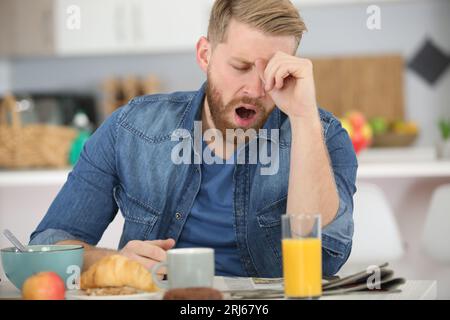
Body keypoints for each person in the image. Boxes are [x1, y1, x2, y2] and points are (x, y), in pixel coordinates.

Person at [30, 0, 357, 278]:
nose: (256, 90)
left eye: (273, 73)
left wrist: (303, 117)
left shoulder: (324, 135)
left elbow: (323, 259)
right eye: (240, 66)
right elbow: (46, 246)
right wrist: (109, 262)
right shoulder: (129, 129)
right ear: (205, 55)